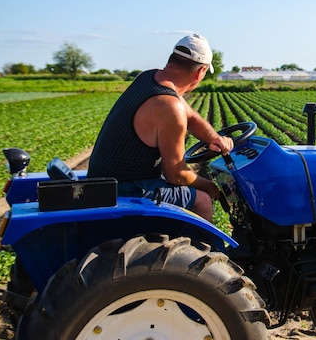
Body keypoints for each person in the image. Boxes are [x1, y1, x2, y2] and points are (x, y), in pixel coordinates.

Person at [87, 33, 233, 221]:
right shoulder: (170, 107)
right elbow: (177, 176)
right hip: (124, 188)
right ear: (200, 72)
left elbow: (192, 116)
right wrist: (213, 189)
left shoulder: (149, 77)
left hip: (106, 182)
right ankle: (207, 248)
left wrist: (214, 138)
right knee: (202, 200)